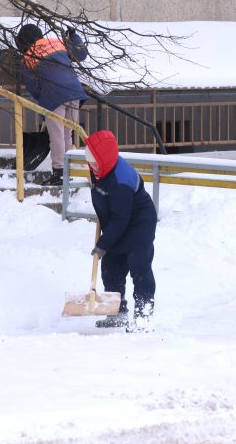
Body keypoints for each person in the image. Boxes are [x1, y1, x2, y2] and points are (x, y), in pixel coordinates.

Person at [84, 130, 157, 329]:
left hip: (138, 225)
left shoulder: (120, 180)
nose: (91, 166)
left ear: (104, 159)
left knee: (139, 270)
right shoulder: (101, 167)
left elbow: (121, 217)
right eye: (89, 161)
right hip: (117, 223)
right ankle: (116, 312)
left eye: (94, 162)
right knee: (111, 270)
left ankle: (143, 316)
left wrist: (103, 244)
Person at [16, 23, 89, 186]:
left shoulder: (29, 56)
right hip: (75, 91)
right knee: (67, 135)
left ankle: (58, 173)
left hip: (54, 96)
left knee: (56, 136)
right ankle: (69, 170)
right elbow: (82, 54)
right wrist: (74, 36)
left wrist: (44, 104)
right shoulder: (57, 42)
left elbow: (33, 87)